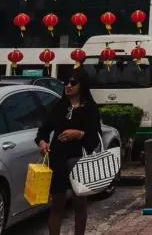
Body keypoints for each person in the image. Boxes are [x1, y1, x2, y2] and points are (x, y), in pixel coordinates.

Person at [35, 67, 103, 235]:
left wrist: (78, 134)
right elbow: (43, 131)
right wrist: (43, 143)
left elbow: (96, 136)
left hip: (78, 158)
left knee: (79, 203)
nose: (69, 86)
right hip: (57, 158)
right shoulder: (59, 106)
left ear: (82, 85)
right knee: (57, 203)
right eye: (66, 82)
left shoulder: (90, 109)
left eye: (73, 82)